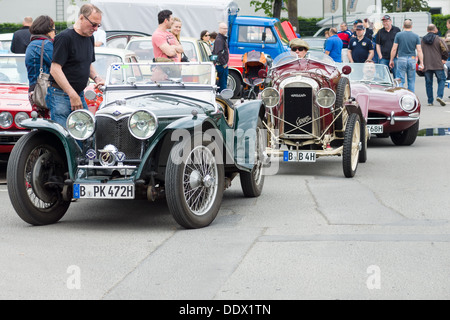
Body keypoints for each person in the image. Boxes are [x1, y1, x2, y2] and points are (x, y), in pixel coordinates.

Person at [46, 4, 105, 127]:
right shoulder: (64, 37)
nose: (95, 29)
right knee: (65, 136)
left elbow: (87, 64)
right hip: (60, 95)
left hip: (78, 94)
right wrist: (72, 94)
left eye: (98, 25)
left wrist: (96, 78)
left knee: (86, 132)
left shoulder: (89, 38)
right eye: (93, 24)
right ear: (82, 18)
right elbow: (55, 69)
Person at [25, 15, 56, 118]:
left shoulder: (33, 43)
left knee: (40, 122)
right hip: (44, 90)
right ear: (48, 29)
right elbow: (57, 65)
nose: (54, 33)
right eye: (53, 30)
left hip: (34, 89)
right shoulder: (45, 44)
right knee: (52, 125)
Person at [389, 19, 423, 92]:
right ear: (411, 26)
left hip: (401, 58)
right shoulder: (416, 36)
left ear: (403, 26)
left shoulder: (399, 35)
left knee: (400, 80)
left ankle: (400, 95)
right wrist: (422, 63)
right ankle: (411, 97)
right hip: (412, 58)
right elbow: (419, 50)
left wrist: (391, 60)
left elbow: (394, 49)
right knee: (411, 80)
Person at [421, 24, 449, 106]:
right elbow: (446, 50)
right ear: (435, 30)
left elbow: (420, 51)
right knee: (442, 80)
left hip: (427, 64)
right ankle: (439, 96)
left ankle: (430, 101)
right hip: (438, 63)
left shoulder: (422, 40)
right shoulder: (439, 39)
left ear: (427, 30)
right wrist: (444, 58)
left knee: (428, 83)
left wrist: (421, 63)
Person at [212, 22, 229, 92]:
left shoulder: (221, 38)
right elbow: (219, 52)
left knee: (222, 83)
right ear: (219, 29)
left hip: (221, 65)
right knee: (222, 84)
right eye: (224, 28)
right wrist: (224, 63)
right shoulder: (219, 39)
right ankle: (223, 98)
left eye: (226, 29)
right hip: (221, 66)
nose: (226, 30)